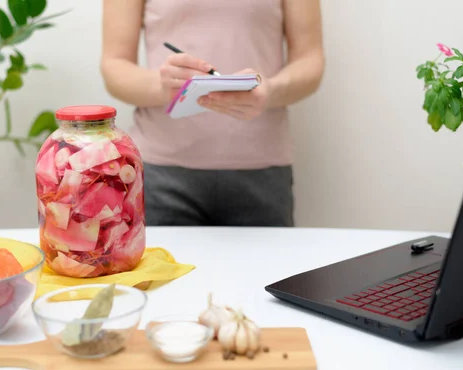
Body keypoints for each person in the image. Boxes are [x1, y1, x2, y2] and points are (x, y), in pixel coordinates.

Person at [100, 0, 325, 227]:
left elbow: (310, 61)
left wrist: (270, 91)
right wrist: (163, 86)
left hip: (263, 171)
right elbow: (114, 65)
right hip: (159, 174)